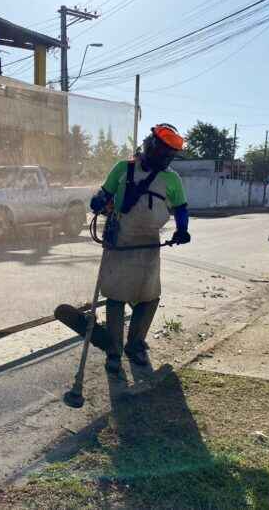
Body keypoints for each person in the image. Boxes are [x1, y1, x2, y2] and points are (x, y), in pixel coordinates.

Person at [90, 123, 190, 374]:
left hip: (149, 244)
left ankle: (134, 345)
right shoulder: (123, 169)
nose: (166, 158)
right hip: (120, 240)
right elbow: (104, 193)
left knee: (149, 297)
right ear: (150, 145)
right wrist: (99, 200)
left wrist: (182, 229)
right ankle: (113, 352)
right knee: (116, 297)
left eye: (170, 155)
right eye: (163, 152)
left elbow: (181, 208)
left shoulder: (172, 179)